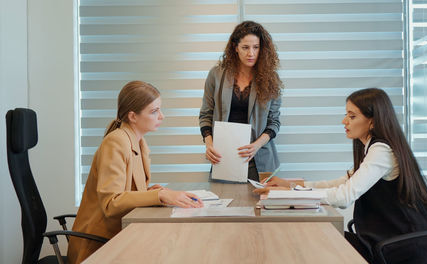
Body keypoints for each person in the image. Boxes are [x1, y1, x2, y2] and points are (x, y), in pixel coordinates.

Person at [257, 88, 427, 263]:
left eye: (352, 116)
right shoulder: (372, 149)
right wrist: (290, 186)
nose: (344, 121)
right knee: (313, 239)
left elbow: (344, 196)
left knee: (311, 242)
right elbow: (338, 183)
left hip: (402, 248)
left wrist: (292, 194)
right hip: (384, 241)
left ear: (372, 122)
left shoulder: (382, 151)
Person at [68, 81, 203, 264]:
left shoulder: (139, 142)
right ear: (133, 116)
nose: (161, 116)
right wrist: (159, 195)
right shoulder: (115, 142)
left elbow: (127, 192)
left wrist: (154, 193)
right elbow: (111, 203)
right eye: (154, 111)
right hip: (100, 246)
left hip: (120, 236)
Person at [199, 21, 283, 181]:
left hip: (260, 160)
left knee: (258, 205)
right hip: (223, 158)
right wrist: (209, 145)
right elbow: (205, 115)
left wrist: (256, 145)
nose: (251, 53)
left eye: (256, 47)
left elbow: (274, 122)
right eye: (245, 47)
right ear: (235, 47)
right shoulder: (216, 75)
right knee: (221, 204)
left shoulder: (271, 79)